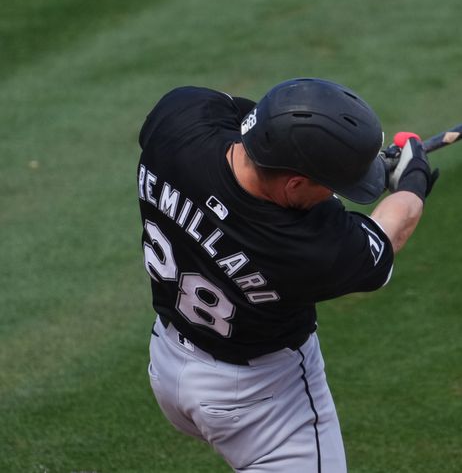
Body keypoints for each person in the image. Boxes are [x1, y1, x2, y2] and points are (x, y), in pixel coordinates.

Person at [138, 78, 437, 472]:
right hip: (257, 406)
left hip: (167, 362)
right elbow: (384, 236)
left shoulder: (180, 119)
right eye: (330, 186)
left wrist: (347, 161)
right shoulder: (304, 248)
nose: (335, 195)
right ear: (293, 183)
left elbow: (247, 121)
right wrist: (412, 181)